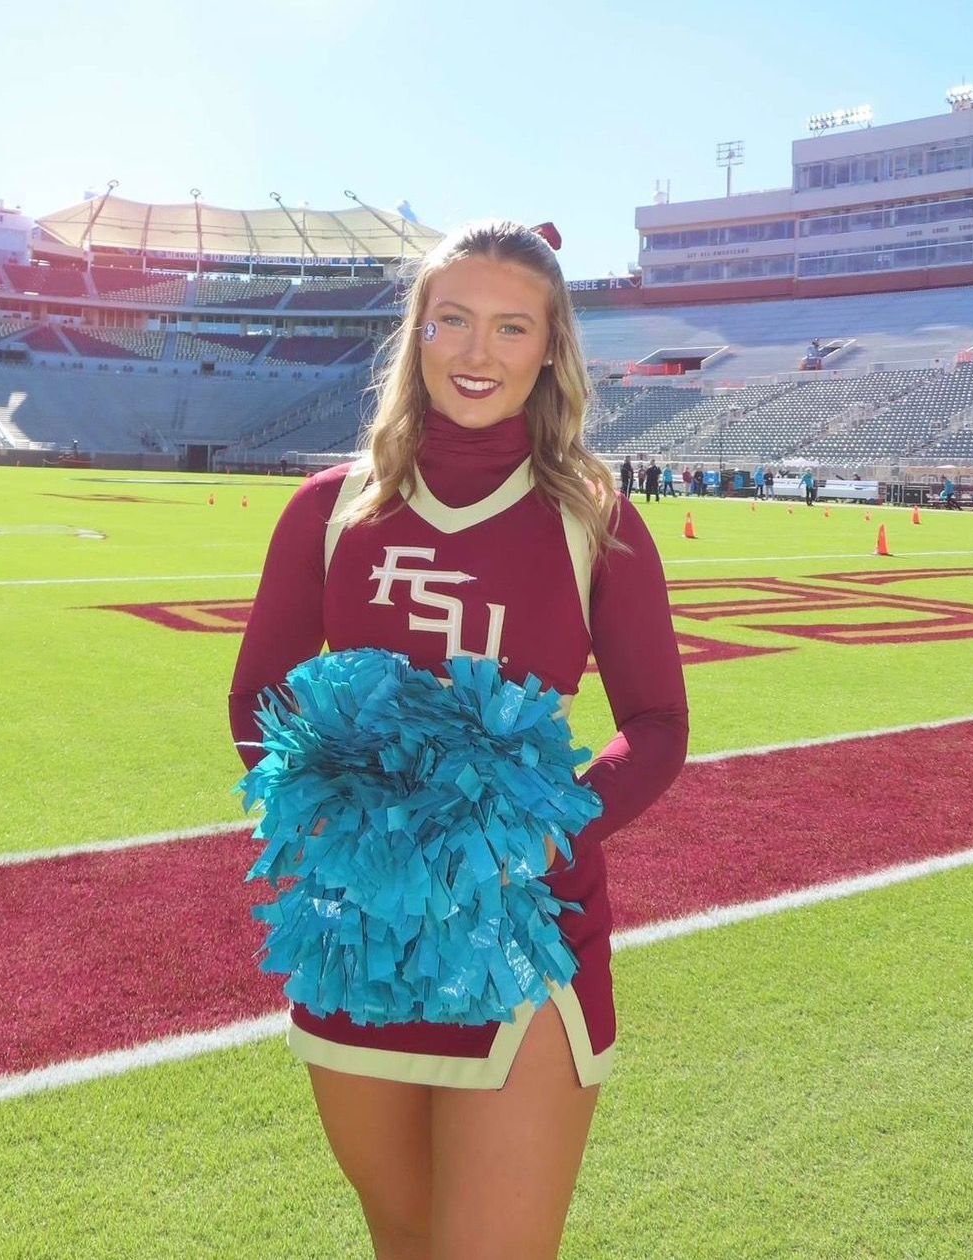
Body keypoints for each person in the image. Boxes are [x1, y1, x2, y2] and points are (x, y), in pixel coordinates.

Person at [228, 219, 689, 1260]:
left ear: (549, 347)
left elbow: (656, 727)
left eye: (511, 327)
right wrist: (349, 837)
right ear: (419, 334)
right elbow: (260, 698)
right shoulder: (329, 510)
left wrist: (536, 837)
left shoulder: (594, 515)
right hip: (363, 933)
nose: (479, 353)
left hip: (526, 934)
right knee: (405, 1237)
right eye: (454, 321)